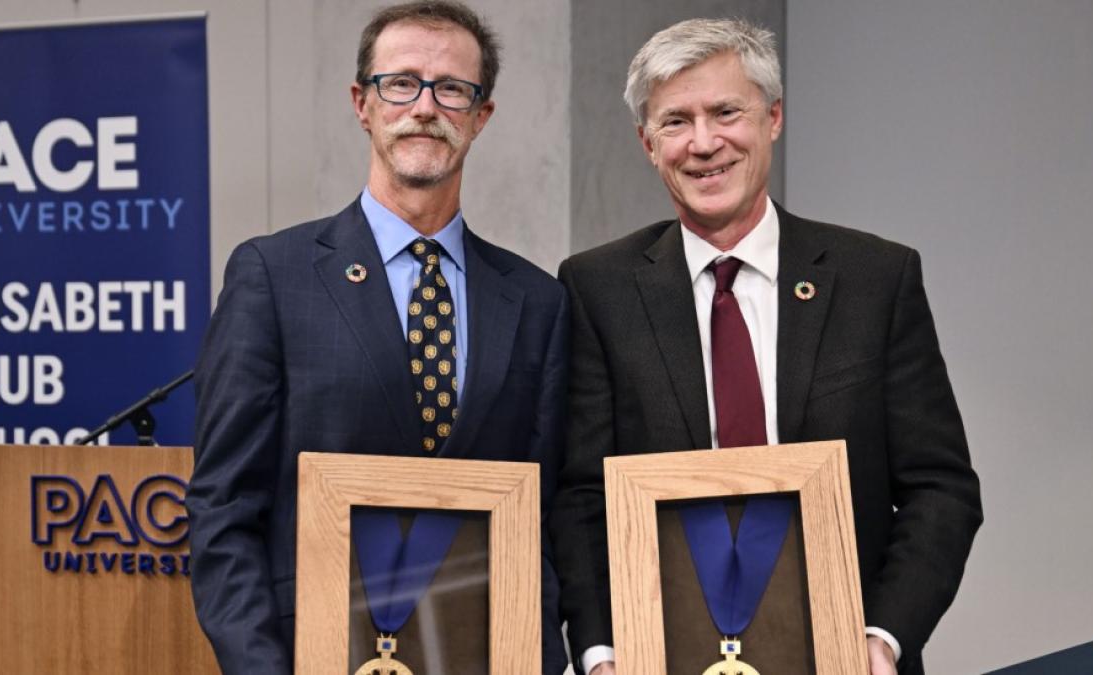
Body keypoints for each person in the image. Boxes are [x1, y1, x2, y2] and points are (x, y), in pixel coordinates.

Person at [551, 18, 982, 675]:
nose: (703, 143)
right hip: (661, 656)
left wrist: (883, 636)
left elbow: (940, 486)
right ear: (646, 142)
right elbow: (582, 495)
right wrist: (602, 653)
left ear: (773, 118)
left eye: (726, 112)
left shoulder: (876, 277)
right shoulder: (596, 287)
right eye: (675, 121)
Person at [188, 2, 569, 673]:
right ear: (362, 103)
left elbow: (539, 523)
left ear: (482, 117)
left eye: (452, 88)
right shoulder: (273, 277)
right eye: (401, 83)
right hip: (308, 654)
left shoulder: (537, 302)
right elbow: (224, 506)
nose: (425, 106)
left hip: (482, 652)